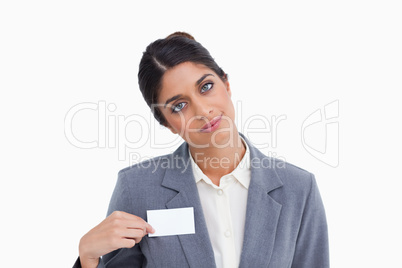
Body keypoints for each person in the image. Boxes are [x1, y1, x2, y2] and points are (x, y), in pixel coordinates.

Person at [74, 32, 329, 268]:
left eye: (206, 87)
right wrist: (87, 257)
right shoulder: (136, 189)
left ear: (226, 84)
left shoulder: (299, 189)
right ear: (167, 124)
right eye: (179, 106)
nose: (202, 111)